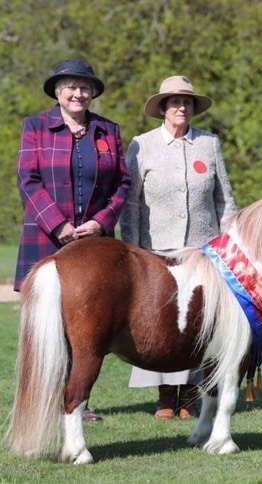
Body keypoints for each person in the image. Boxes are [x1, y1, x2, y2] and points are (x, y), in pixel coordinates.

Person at [15, 59, 131, 422]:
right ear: (57, 92)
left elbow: (123, 184)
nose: (78, 93)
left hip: (94, 244)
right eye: (70, 86)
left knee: (87, 326)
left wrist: (101, 221)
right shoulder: (35, 127)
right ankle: (44, 405)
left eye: (84, 87)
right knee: (46, 327)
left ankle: (77, 403)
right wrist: (58, 225)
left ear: (93, 92)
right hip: (47, 238)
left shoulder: (107, 130)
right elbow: (27, 180)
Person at [120, 75, 237, 420]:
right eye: (174, 102)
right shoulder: (142, 145)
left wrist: (228, 241)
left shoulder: (209, 143)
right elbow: (132, 204)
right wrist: (132, 250)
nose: (181, 107)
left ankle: (188, 395)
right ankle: (165, 397)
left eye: (187, 102)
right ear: (162, 109)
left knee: (199, 324)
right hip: (156, 251)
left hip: (203, 251)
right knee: (161, 324)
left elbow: (224, 198)